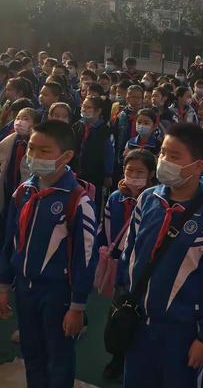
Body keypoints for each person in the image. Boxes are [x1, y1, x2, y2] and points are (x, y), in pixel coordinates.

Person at [118, 123, 203, 387]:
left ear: (197, 166)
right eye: (162, 153)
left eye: (174, 157)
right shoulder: (148, 200)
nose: (163, 161)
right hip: (139, 323)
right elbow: (130, 252)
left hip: (182, 333)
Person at [0, 120, 98, 388]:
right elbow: (9, 242)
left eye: (45, 151)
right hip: (25, 288)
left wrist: (77, 306)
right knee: (32, 352)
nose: (35, 156)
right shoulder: (23, 192)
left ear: (66, 156)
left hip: (58, 294)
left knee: (59, 357)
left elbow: (86, 258)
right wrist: (4, 285)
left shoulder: (78, 199)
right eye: (32, 148)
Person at [98, 148, 157, 381]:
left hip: (146, 266)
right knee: (120, 314)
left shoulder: (155, 199)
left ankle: (138, 361)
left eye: (139, 171)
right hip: (122, 266)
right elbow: (106, 227)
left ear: (151, 174)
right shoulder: (116, 198)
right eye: (129, 170)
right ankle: (117, 360)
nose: (133, 175)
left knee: (143, 316)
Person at [72, 96, 114, 212]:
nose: (84, 109)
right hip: (77, 171)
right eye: (83, 106)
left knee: (92, 203)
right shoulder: (77, 126)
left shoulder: (105, 130)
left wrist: (108, 173)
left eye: (88, 107)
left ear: (98, 110)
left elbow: (109, 152)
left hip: (95, 173)